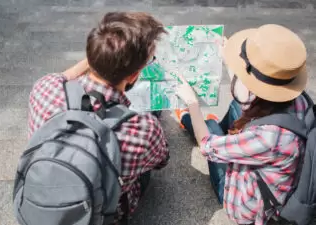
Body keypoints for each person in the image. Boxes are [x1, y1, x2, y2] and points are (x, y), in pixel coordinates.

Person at [28, 12, 170, 223]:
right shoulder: (144, 129)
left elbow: (64, 76)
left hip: (39, 201)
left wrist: (102, 55)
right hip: (102, 215)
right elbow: (161, 160)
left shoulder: (44, 88)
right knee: (144, 169)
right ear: (134, 75)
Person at [174, 24, 309, 225]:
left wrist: (192, 102)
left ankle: (190, 119)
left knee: (209, 127)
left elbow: (206, 146)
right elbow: (253, 90)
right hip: (272, 167)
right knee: (237, 106)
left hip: (246, 208)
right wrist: (231, 61)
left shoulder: (269, 137)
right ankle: (208, 126)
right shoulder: (299, 100)